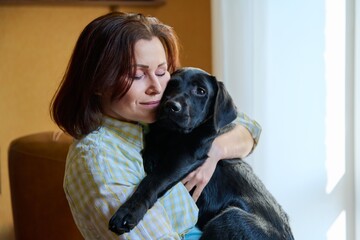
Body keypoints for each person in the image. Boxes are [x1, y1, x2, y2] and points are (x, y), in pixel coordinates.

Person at [50, 12, 261, 240]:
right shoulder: (102, 161)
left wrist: (214, 151)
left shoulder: (149, 121)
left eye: (162, 72)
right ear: (99, 83)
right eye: (137, 75)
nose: (157, 87)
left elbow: (249, 126)